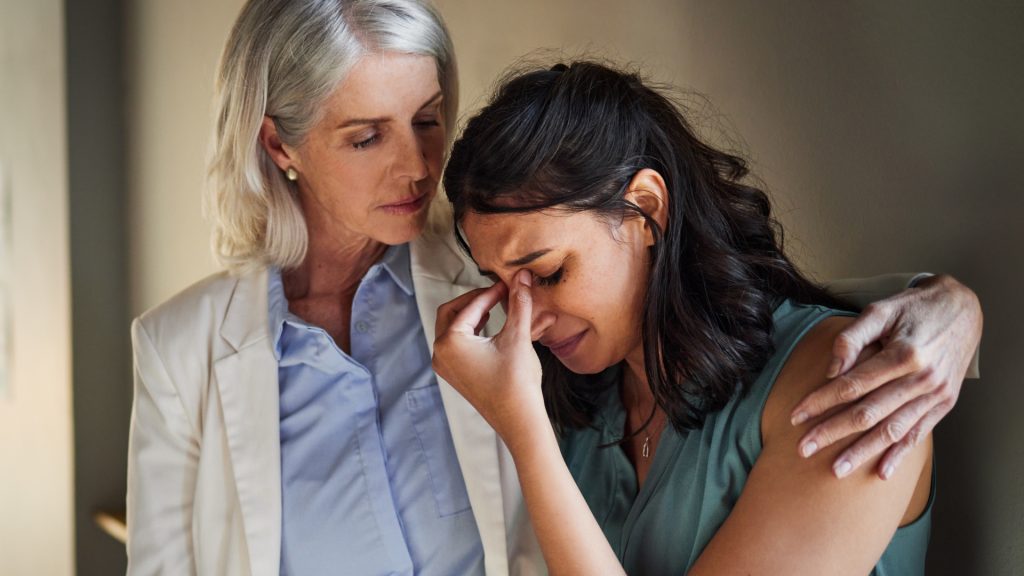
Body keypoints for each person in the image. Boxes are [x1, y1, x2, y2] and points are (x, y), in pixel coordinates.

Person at [126, 1, 981, 575]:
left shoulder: (517, 332)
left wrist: (953, 307)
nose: (418, 165)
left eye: (429, 120)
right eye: (364, 136)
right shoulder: (566, 357)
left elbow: (802, 323)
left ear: (644, 206)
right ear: (281, 146)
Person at [433, 60, 978, 575]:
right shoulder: (587, 405)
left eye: (548, 273)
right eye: (499, 284)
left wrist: (524, 431)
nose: (524, 323)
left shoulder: (848, 388)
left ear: (646, 210)